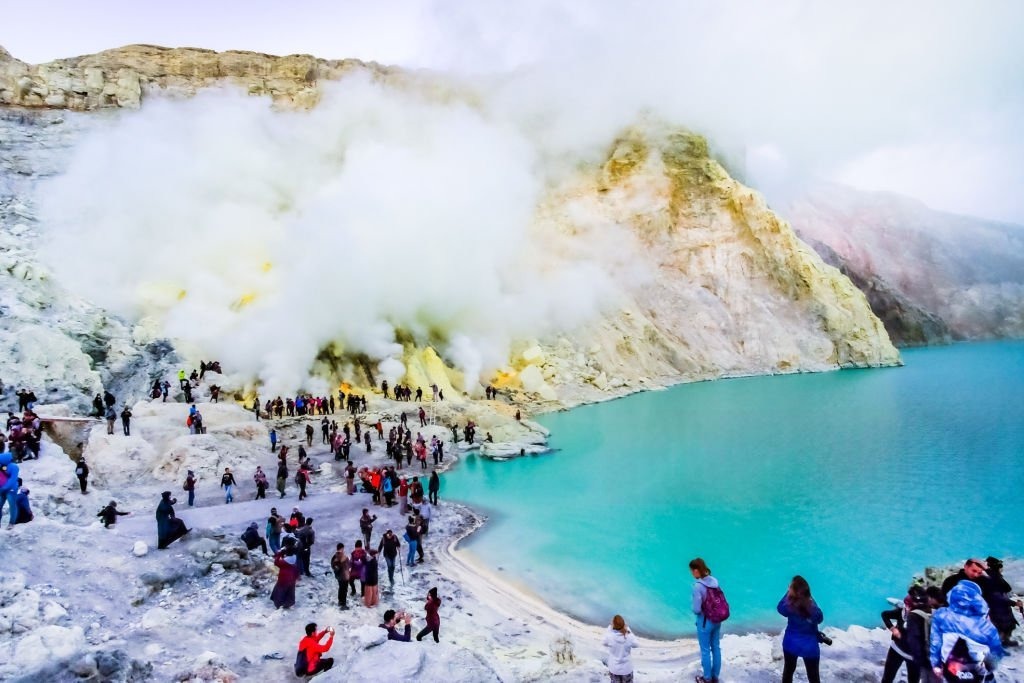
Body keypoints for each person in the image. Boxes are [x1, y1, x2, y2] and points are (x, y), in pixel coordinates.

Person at [930, 579, 1006, 681]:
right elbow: (996, 652)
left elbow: (936, 642)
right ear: (978, 600)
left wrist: (936, 664)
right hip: (979, 675)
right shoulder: (986, 626)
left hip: (951, 669)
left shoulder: (941, 615)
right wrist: (989, 666)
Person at [777, 575, 824, 683]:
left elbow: (780, 608)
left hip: (791, 644)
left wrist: (789, 594)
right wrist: (808, 598)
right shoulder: (812, 607)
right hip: (809, 647)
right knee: (813, 678)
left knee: (788, 672)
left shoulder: (789, 606)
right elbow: (819, 618)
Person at [881, 585, 930, 683]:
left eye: (908, 606)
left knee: (913, 680)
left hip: (913, 657)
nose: (906, 608)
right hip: (896, 650)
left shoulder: (924, 617)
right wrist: (893, 629)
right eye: (905, 605)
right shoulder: (902, 612)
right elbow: (885, 614)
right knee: (887, 678)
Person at [690, 558, 724, 683]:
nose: (692, 573)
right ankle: (715, 676)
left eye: (692, 571)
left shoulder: (698, 586)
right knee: (716, 647)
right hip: (717, 620)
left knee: (705, 650)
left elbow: (697, 609)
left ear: (696, 570)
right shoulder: (714, 581)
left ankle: (707, 678)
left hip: (705, 622)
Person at [984, 556, 1022, 647]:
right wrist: (1014, 603)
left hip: (997, 607)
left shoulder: (991, 577)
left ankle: (1003, 641)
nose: (1002, 569)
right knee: (1003, 626)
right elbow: (997, 597)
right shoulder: (994, 579)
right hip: (999, 609)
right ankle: (1001, 643)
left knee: (1005, 625)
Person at [602, 614, 639, 683]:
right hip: (627, 669)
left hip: (614, 668)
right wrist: (628, 629)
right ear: (623, 624)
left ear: (613, 625)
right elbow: (637, 644)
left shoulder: (610, 636)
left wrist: (609, 629)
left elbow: (603, 642)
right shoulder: (629, 636)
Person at [271, 537, 300, 609]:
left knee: (280, 592)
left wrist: (279, 554)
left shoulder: (284, 562)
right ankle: (288, 603)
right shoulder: (295, 557)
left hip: (283, 578)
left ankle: (278, 604)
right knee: (290, 591)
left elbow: (276, 562)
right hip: (292, 578)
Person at [330, 543, 350, 609]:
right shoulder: (343, 557)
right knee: (344, 590)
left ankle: (340, 601)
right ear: (342, 548)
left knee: (341, 589)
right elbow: (348, 565)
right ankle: (343, 604)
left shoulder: (334, 556)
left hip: (339, 576)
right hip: (344, 576)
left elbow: (333, 566)